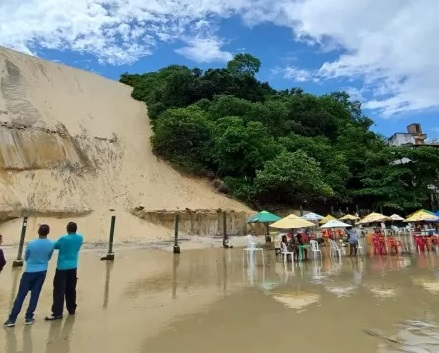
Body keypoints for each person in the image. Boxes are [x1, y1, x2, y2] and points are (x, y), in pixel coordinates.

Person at [3, 225, 54, 327]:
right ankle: (29, 317)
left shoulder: (32, 243)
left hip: (29, 271)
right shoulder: (51, 244)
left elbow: (26, 257)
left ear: (38, 231)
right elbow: (49, 257)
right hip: (42, 271)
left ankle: (12, 319)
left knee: (21, 295)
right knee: (35, 295)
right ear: (48, 232)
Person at [45, 222, 83, 320]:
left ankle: (57, 312)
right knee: (71, 289)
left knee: (59, 290)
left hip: (62, 268)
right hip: (73, 267)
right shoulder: (80, 238)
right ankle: (71, 309)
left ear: (67, 229)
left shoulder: (63, 239)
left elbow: (55, 245)